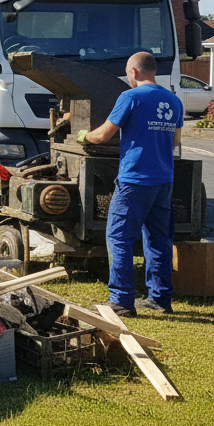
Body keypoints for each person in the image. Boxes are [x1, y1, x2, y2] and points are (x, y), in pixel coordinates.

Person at [78, 51, 183, 316]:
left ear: (134, 71)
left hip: (135, 179)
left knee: (118, 237)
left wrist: (84, 136)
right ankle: (160, 299)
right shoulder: (174, 100)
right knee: (159, 239)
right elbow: (175, 142)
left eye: (127, 72)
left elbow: (103, 135)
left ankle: (121, 301)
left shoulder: (130, 97)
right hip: (163, 180)